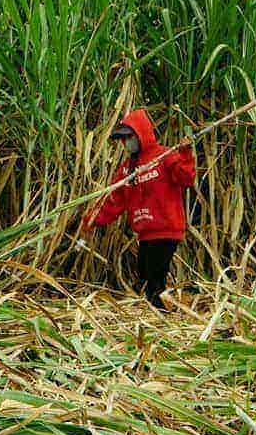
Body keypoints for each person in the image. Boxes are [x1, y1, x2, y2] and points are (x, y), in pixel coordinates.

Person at [80, 109, 196, 309]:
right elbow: (114, 200)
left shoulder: (164, 156)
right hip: (145, 234)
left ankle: (160, 315)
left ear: (141, 134)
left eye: (129, 137)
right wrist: (92, 219)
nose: (126, 143)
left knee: (155, 278)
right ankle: (158, 310)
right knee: (143, 273)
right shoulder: (127, 169)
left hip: (167, 230)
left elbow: (185, 177)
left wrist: (185, 153)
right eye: (123, 140)